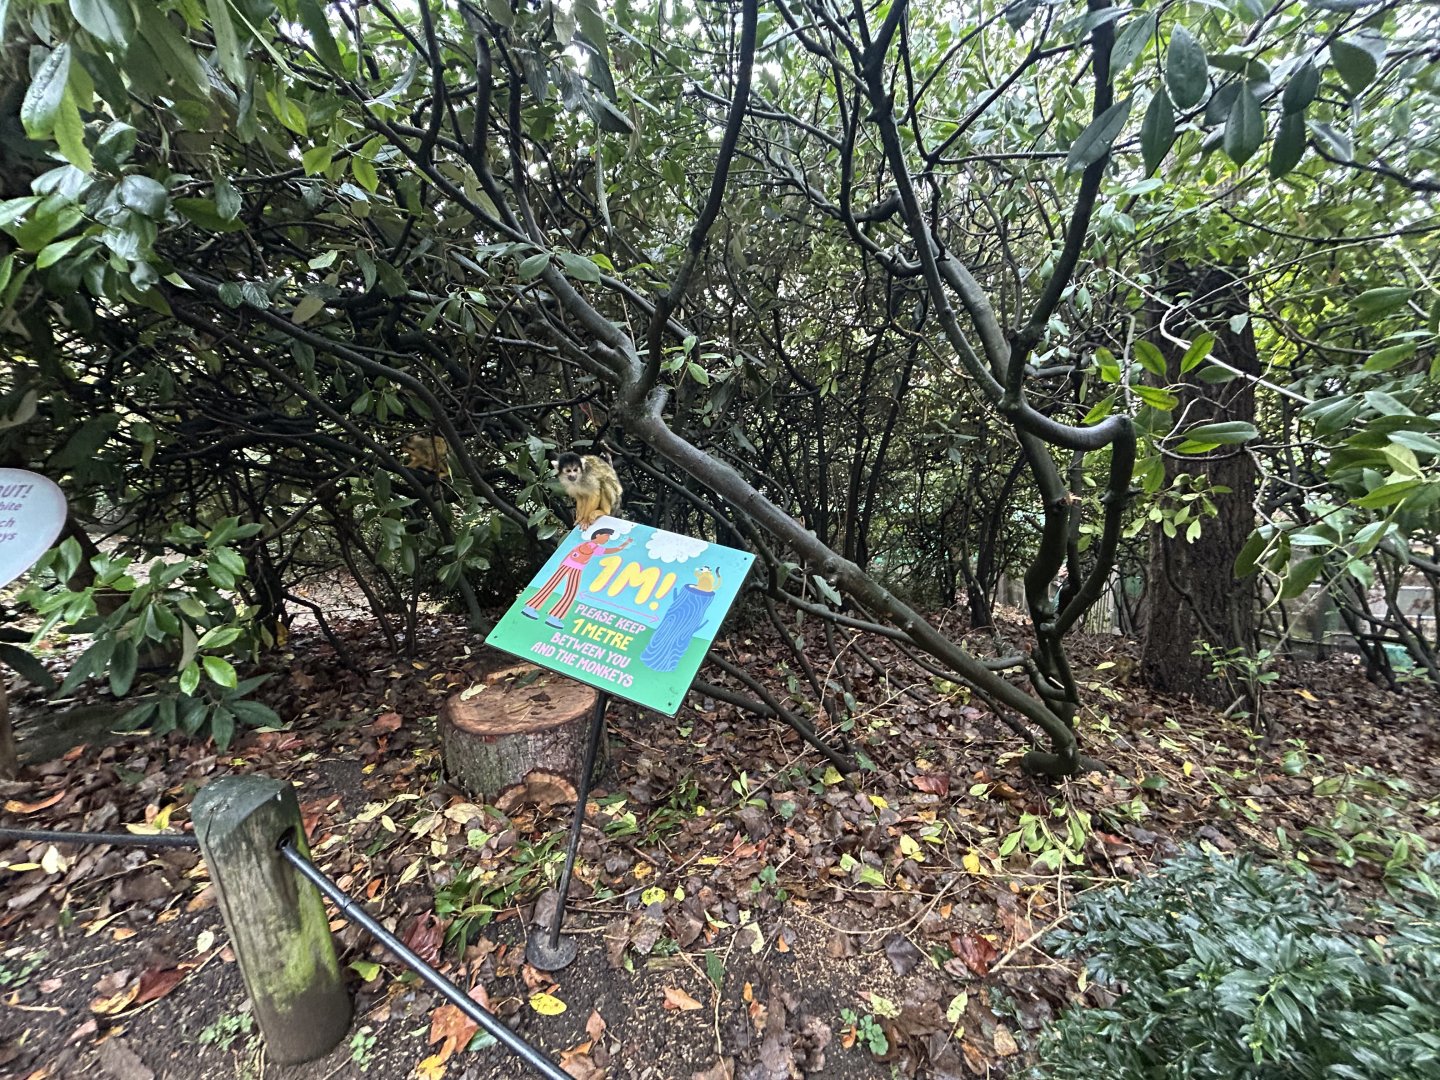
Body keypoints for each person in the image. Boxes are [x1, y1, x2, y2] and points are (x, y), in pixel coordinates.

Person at [522, 527, 633, 628]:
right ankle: (553, 616)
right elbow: (609, 550)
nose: (607, 539)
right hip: (574, 568)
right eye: (606, 536)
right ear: (598, 535)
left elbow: (573, 553)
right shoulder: (592, 546)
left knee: (551, 586)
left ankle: (532, 607)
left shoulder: (588, 545)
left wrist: (562, 563)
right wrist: (623, 545)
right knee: (570, 593)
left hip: (566, 565)